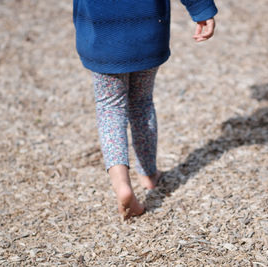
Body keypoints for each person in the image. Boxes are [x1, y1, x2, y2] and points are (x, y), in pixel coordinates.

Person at [73, 0, 217, 219]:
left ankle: (122, 184)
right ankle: (148, 174)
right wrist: (200, 9)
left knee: (110, 107)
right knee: (142, 102)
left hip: (101, 34)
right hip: (147, 31)